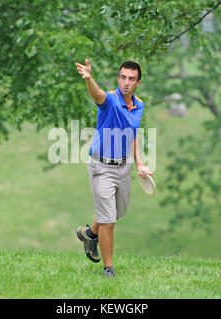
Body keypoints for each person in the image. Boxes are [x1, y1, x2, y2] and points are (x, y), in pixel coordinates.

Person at [75, 58, 152, 278]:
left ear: (138, 82)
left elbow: (132, 133)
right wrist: (89, 78)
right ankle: (108, 269)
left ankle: (90, 234)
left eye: (131, 79)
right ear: (118, 78)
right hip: (102, 167)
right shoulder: (110, 100)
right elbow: (97, 95)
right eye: (122, 77)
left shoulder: (140, 105)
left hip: (124, 167)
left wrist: (139, 162)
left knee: (114, 214)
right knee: (108, 221)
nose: (126, 82)